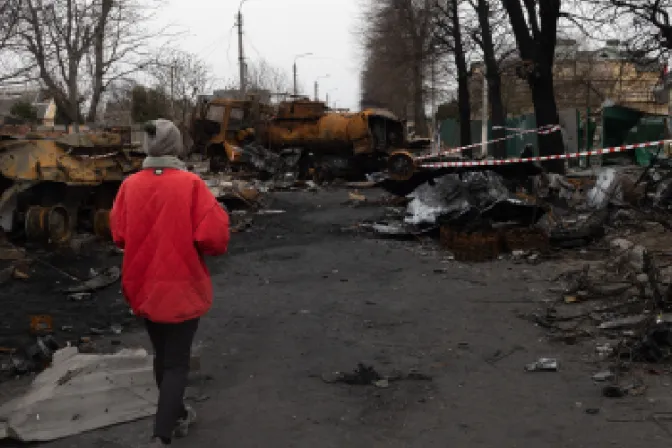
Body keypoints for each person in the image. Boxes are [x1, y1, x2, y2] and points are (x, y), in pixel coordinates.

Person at [110, 119, 230, 446]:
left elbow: (119, 235)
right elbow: (214, 239)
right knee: (177, 362)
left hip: (143, 283)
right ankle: (164, 431)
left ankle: (174, 415)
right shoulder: (191, 185)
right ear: (175, 145)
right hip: (182, 284)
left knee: (163, 355)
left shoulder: (129, 186)